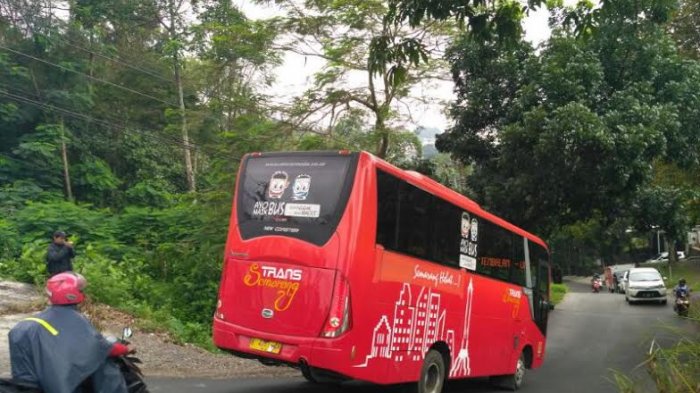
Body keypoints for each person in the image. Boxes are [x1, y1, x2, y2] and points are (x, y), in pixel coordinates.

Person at [8, 272, 129, 393]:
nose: (83, 293)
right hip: (56, 386)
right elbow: (99, 347)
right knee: (105, 366)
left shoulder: (28, 323)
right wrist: (125, 349)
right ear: (72, 294)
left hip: (27, 385)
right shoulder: (75, 320)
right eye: (81, 290)